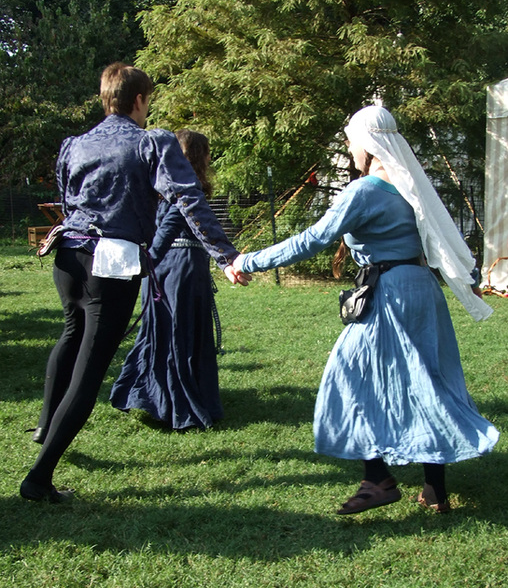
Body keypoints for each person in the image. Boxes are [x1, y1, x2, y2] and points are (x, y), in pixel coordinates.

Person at [233, 105, 499, 515]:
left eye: (351, 140)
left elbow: (312, 239)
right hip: (424, 291)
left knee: (350, 373)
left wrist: (247, 261)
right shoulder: (412, 184)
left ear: (369, 143)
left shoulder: (365, 191)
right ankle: (434, 491)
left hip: (390, 293)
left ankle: (378, 479)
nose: (348, 146)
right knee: (425, 381)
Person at [21, 62, 249, 503]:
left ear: (106, 98)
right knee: (89, 371)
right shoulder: (152, 141)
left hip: (67, 257)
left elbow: (69, 200)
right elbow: (188, 198)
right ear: (140, 100)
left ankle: (46, 428)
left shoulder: (74, 144)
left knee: (70, 336)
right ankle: (38, 478)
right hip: (110, 265)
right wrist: (226, 255)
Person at [110, 129, 224, 429]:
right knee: (178, 334)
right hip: (177, 270)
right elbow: (168, 227)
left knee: (167, 333)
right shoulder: (186, 190)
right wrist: (149, 262)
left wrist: (147, 264)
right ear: (200, 156)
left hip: (166, 269)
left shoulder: (159, 187)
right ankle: (175, 405)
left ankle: (155, 397)